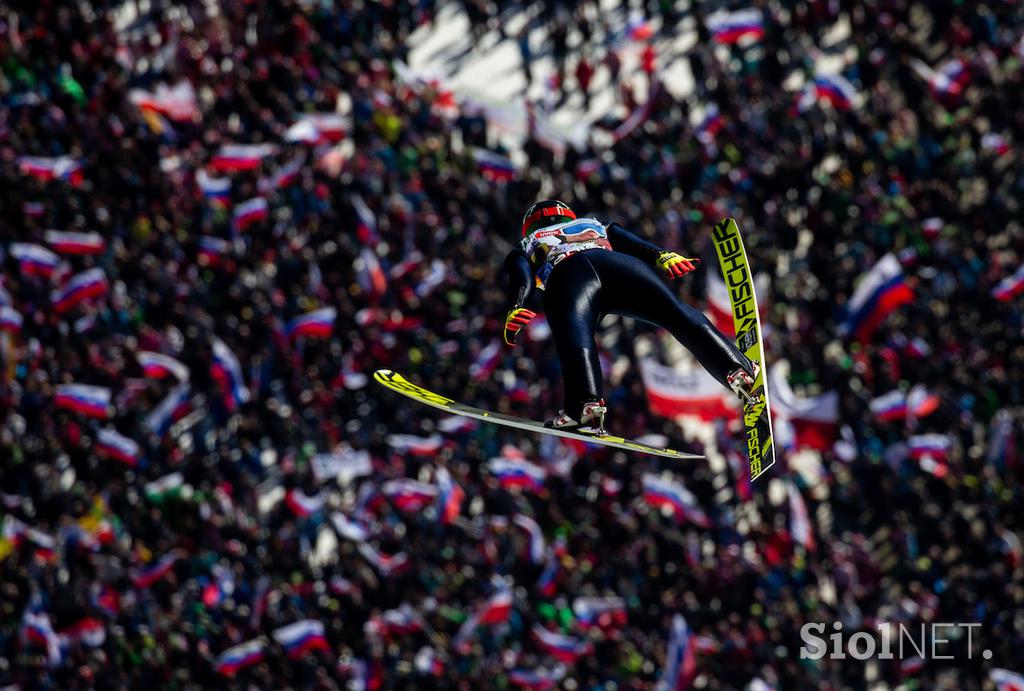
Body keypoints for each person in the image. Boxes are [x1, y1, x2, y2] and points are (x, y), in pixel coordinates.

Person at [502, 199, 758, 432]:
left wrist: (517, 304)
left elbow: (521, 271)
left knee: (576, 338)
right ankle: (737, 369)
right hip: (618, 266)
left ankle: (585, 407)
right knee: (676, 315)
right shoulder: (592, 222)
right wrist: (661, 256)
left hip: (568, 276)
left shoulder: (528, 241)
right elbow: (627, 239)